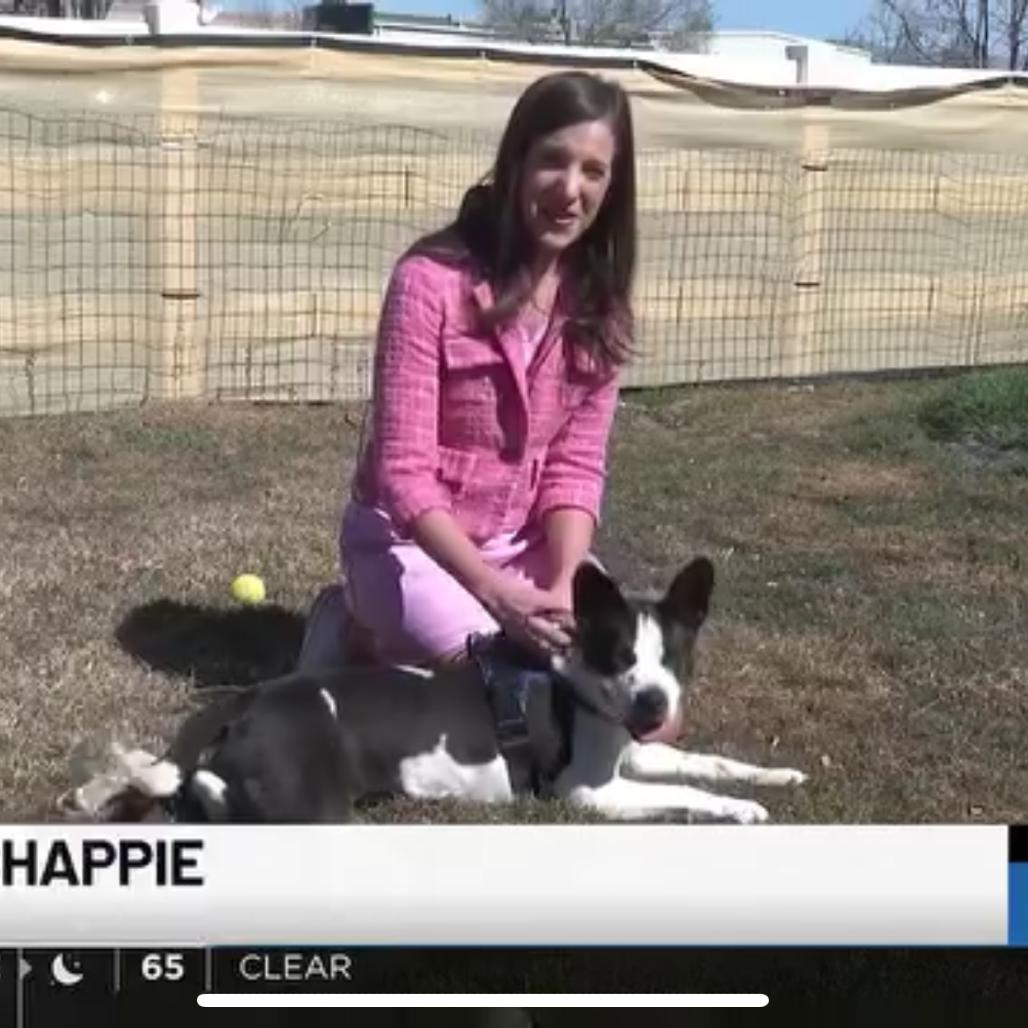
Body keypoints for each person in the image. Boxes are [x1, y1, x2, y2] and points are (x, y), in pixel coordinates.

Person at [301, 70, 637, 671]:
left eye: (593, 170)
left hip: (525, 546)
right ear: (515, 163)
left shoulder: (599, 308)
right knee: (518, 690)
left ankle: (395, 646)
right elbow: (403, 476)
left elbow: (575, 468)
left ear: (613, 186)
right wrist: (494, 592)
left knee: (643, 708)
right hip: (412, 550)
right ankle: (349, 624)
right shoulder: (428, 282)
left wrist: (562, 586)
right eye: (552, 161)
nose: (569, 189)